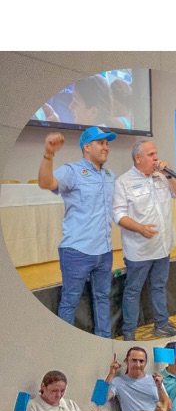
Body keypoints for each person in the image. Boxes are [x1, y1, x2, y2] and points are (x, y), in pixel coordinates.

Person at [37, 126, 116, 336]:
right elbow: (45, 183)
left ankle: (104, 340)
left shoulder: (110, 175)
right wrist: (48, 154)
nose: (106, 147)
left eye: (107, 143)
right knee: (70, 302)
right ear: (87, 147)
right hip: (77, 252)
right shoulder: (71, 171)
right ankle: (66, 343)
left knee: (102, 299)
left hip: (105, 251)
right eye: (101, 143)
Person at [112, 139, 176, 340]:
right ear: (138, 158)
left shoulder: (162, 177)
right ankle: (129, 333)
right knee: (133, 291)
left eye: (156, 153)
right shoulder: (123, 182)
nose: (156, 158)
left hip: (163, 246)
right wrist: (140, 228)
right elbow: (118, 215)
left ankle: (161, 325)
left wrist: (168, 174)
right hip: (139, 250)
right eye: (151, 154)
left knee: (159, 286)